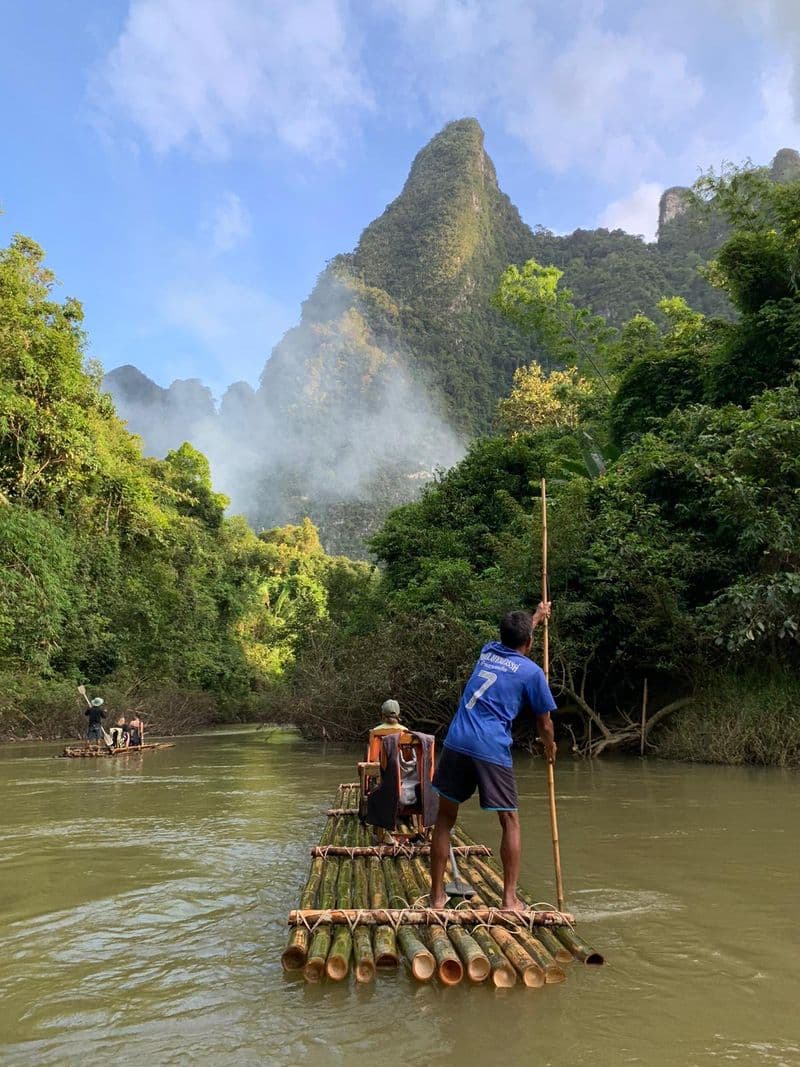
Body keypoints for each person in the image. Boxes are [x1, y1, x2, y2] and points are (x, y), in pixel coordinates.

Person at [429, 604, 556, 911]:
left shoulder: (488, 651)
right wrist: (549, 747)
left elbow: (518, 638)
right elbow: (545, 723)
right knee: (510, 820)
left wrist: (537, 617)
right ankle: (510, 900)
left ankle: (436, 898)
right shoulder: (532, 673)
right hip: (490, 746)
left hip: (457, 740)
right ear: (528, 643)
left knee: (445, 818)